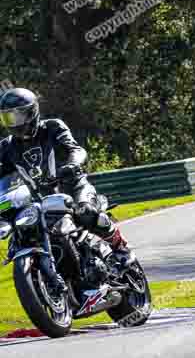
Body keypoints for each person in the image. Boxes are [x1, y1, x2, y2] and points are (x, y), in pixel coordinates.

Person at [0, 88, 133, 268]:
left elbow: (75, 149)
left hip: (73, 186)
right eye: (8, 118)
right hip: (43, 201)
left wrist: (73, 164)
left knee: (86, 212)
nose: (13, 122)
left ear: (32, 111)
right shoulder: (7, 147)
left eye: (17, 116)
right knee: (27, 234)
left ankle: (121, 248)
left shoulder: (52, 127)